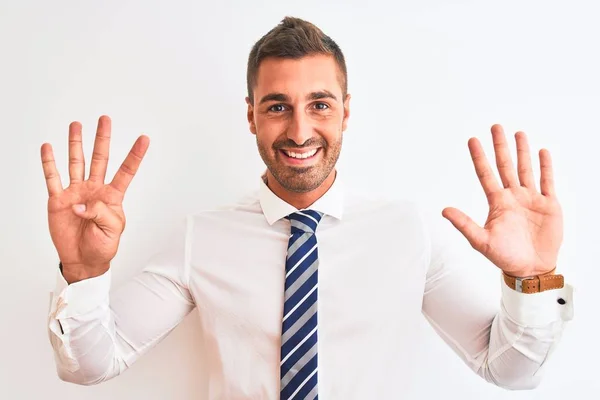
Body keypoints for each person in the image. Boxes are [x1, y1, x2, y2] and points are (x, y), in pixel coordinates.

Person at [42, 16, 573, 399]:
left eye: (319, 104)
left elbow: (509, 373)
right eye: (278, 107)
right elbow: (91, 366)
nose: (299, 131)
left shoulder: (410, 232)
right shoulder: (199, 238)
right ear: (252, 117)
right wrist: (85, 273)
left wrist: (532, 277)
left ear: (346, 113)